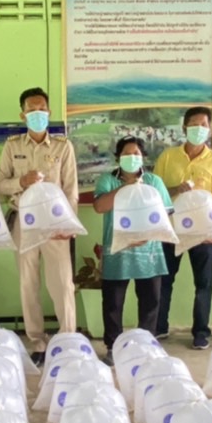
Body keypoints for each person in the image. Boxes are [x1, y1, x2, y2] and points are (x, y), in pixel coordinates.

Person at [0, 86, 78, 363]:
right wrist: (21, 182)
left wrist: (69, 224)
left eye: (42, 108)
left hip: (56, 224)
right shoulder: (12, 146)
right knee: (28, 282)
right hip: (25, 222)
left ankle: (67, 338)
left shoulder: (63, 146)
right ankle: (37, 342)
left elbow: (71, 189)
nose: (37, 113)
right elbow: (0, 185)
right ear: (23, 114)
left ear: (49, 111)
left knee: (62, 282)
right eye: (32, 110)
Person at [153, 105, 212, 350]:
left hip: (203, 232)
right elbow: (156, 191)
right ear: (184, 128)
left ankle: (201, 332)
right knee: (164, 280)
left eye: (204, 125)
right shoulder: (168, 157)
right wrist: (176, 189)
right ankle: (159, 327)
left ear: (210, 129)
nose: (199, 129)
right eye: (194, 124)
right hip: (171, 229)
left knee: (204, 283)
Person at [93, 138, 172, 361]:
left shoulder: (154, 181)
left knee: (150, 301)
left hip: (149, 251)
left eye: (136, 153)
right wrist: (127, 188)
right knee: (113, 303)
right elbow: (100, 206)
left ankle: (145, 345)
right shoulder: (107, 181)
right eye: (126, 154)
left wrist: (144, 234)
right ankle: (113, 346)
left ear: (143, 156)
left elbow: (166, 214)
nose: (132, 158)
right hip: (118, 251)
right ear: (118, 157)